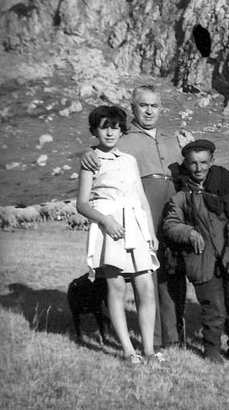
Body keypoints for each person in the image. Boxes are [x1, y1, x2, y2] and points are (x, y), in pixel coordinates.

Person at [81, 86, 185, 351]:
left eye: (154, 105)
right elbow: (99, 152)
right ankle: (151, 342)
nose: (149, 110)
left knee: (171, 272)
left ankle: (172, 337)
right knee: (136, 279)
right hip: (129, 212)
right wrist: (86, 154)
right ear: (133, 107)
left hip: (165, 209)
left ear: (161, 108)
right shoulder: (123, 139)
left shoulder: (171, 140)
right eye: (143, 105)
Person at [76, 105, 160, 364]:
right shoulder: (90, 160)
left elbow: (141, 198)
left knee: (146, 289)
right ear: (94, 130)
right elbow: (82, 203)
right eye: (104, 127)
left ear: (121, 129)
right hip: (109, 227)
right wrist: (106, 221)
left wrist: (150, 232)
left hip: (135, 225)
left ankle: (148, 350)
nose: (110, 133)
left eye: (114, 127)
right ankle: (127, 350)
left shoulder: (129, 160)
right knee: (116, 289)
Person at [162, 140, 229, 365]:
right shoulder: (182, 196)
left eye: (203, 162)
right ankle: (212, 348)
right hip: (202, 260)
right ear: (187, 164)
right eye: (193, 163)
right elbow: (170, 224)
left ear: (211, 161)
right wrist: (189, 232)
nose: (199, 168)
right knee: (212, 308)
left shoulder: (224, 185)